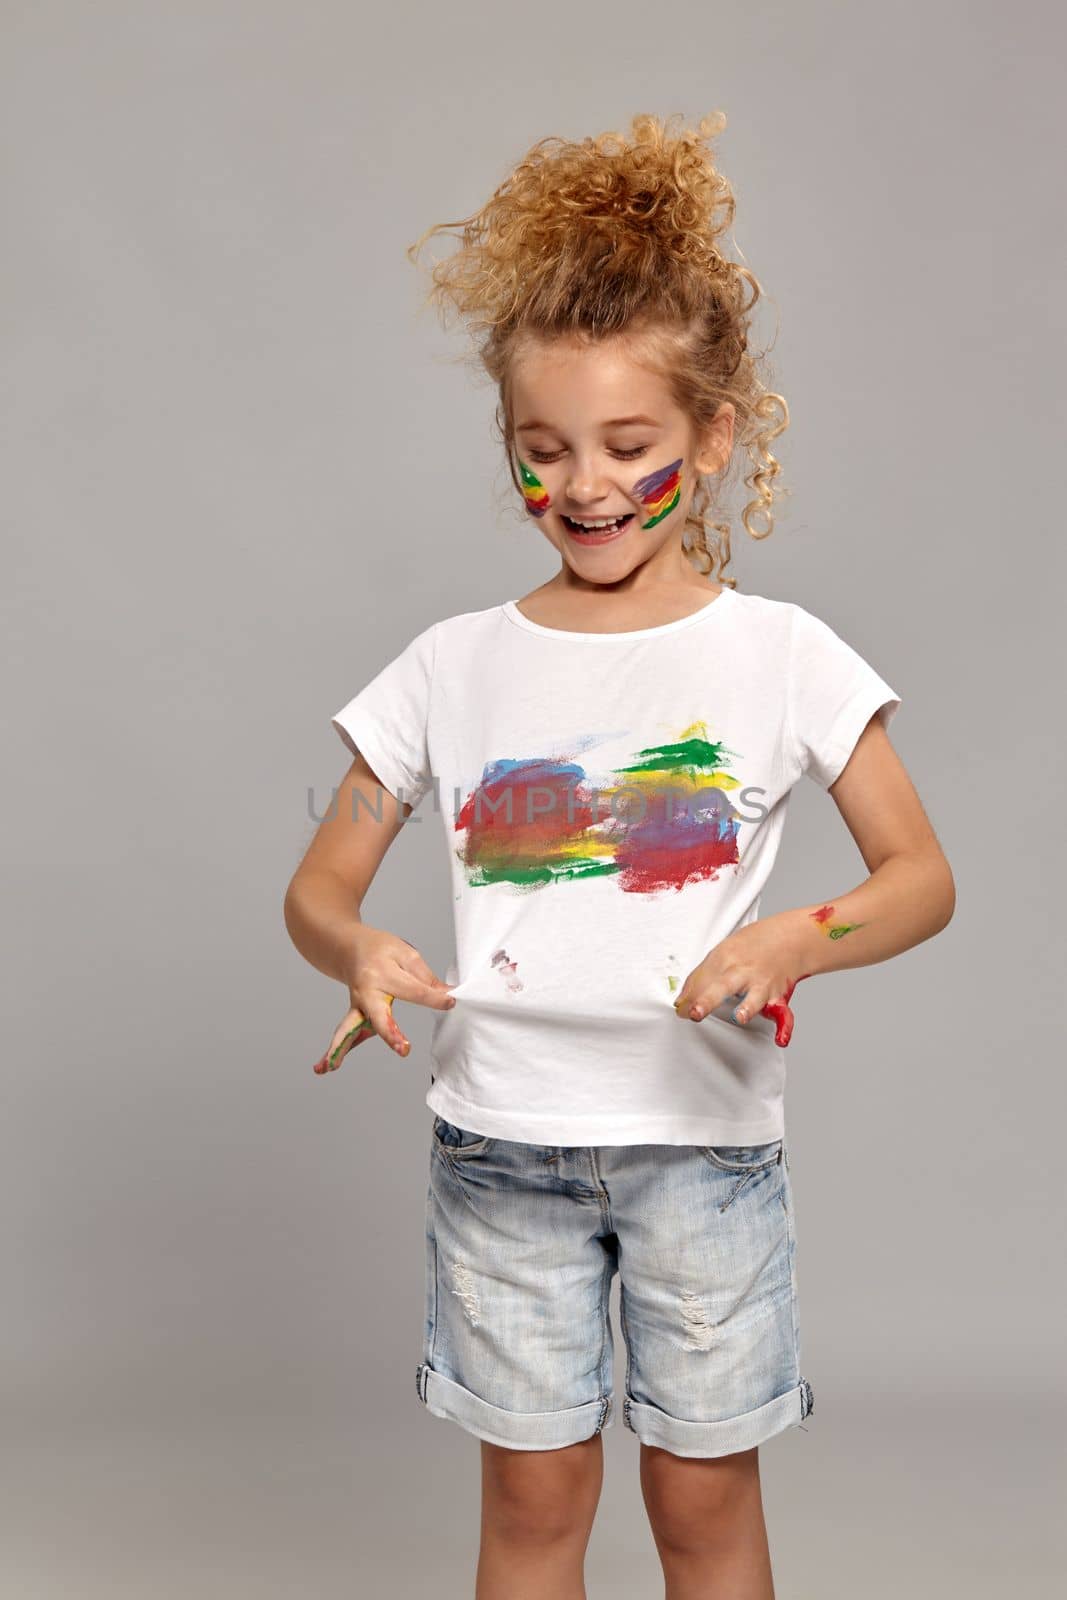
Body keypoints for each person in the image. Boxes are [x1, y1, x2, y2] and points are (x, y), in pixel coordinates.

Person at [284, 111, 955, 1600]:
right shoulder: (449, 666)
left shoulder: (782, 656)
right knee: (529, 1520)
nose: (585, 486)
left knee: (705, 1520)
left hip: (703, 1165)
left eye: (630, 446)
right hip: (499, 1154)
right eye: (545, 451)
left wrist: (795, 938)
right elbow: (318, 886)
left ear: (713, 438)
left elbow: (921, 877)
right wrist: (360, 949)